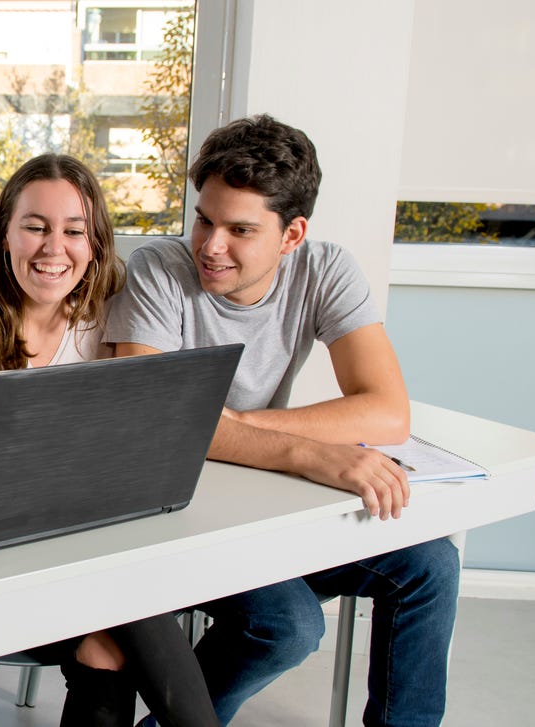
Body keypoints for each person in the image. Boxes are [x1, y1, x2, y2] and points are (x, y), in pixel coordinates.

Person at [104, 114, 460, 726]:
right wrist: (313, 451)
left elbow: (386, 411)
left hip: (261, 501)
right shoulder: (159, 269)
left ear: (292, 234)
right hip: (180, 516)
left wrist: (236, 425)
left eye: (239, 229)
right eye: (204, 219)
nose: (211, 245)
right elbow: (159, 420)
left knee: (430, 564)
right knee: (289, 625)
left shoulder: (325, 269)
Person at [0, 153, 217, 727]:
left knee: (106, 642)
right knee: (130, 608)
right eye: (35, 227)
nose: (52, 248)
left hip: (74, 536)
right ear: (5, 235)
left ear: (94, 245)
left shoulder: (106, 313)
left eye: (73, 231)